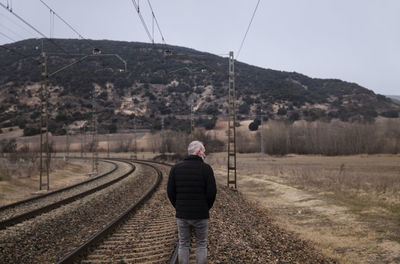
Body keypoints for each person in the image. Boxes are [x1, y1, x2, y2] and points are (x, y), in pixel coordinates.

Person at [167, 140, 217, 264]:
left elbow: (170, 192)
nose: (205, 154)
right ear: (198, 152)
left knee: (183, 244)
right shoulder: (206, 169)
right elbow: (212, 193)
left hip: (182, 214)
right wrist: (205, 207)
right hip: (201, 215)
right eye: (204, 152)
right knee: (201, 244)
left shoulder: (175, 168)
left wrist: (179, 207)